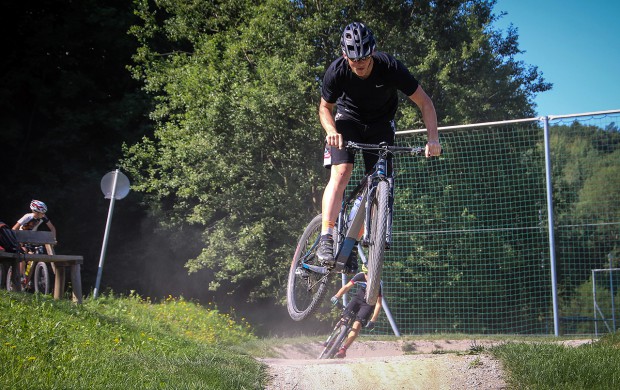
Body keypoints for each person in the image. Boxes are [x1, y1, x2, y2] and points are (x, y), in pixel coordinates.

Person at [317, 22, 441, 267]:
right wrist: (331, 131)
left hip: (381, 125)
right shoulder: (337, 71)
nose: (359, 64)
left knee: (378, 182)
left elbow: (425, 103)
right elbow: (324, 108)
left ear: (372, 51)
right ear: (345, 55)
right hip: (347, 121)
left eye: (364, 58)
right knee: (342, 172)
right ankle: (327, 237)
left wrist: (433, 139)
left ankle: (352, 242)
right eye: (354, 60)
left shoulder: (390, 67)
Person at [329, 270, 382, 358]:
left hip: (368, 305)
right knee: (344, 318)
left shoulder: (378, 283)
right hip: (357, 299)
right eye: (365, 274)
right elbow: (347, 287)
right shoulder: (360, 276)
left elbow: (378, 303)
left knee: (357, 325)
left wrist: (373, 320)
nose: (367, 276)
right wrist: (336, 296)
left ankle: (344, 349)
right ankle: (332, 340)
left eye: (369, 274)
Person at [12, 200, 57, 274]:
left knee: (34, 255)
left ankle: (27, 278)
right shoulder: (27, 217)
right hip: (21, 239)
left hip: (31, 239)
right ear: (36, 212)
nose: (43, 215)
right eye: (42, 213)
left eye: (44, 213)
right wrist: (16, 240)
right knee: (23, 253)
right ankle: (20, 275)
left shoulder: (43, 218)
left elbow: (52, 228)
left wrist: (54, 239)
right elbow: (14, 228)